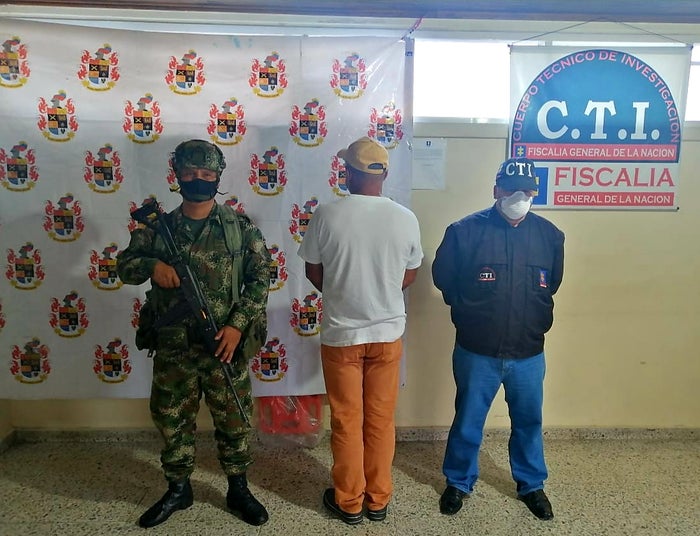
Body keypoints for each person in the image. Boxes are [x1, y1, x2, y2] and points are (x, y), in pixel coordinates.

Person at [116, 139, 271, 528]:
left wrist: (237, 325)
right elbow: (125, 266)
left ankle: (238, 488)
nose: (198, 179)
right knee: (172, 419)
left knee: (234, 420)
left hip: (223, 346)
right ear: (177, 176)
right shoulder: (158, 228)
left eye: (206, 173)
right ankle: (178, 489)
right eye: (190, 173)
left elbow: (260, 280)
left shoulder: (239, 228)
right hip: (174, 348)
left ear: (217, 177)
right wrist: (152, 267)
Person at [298, 137, 423, 525]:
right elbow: (410, 274)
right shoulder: (405, 218)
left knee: (347, 421)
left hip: (342, 337)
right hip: (387, 336)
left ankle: (350, 502)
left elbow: (313, 271)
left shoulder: (327, 214)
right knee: (381, 421)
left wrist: (343, 292)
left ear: (347, 172)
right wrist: (380, 292)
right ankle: (378, 500)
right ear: (384, 174)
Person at [432, 157, 564, 521]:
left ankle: (531, 484)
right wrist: (471, 313)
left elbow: (551, 284)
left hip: (528, 352)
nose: (519, 196)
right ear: (496, 190)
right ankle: (458, 482)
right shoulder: (464, 232)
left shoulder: (550, 236)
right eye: (511, 189)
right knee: (468, 420)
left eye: (527, 190)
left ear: (535, 193)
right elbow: (445, 279)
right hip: (477, 351)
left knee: (529, 421)